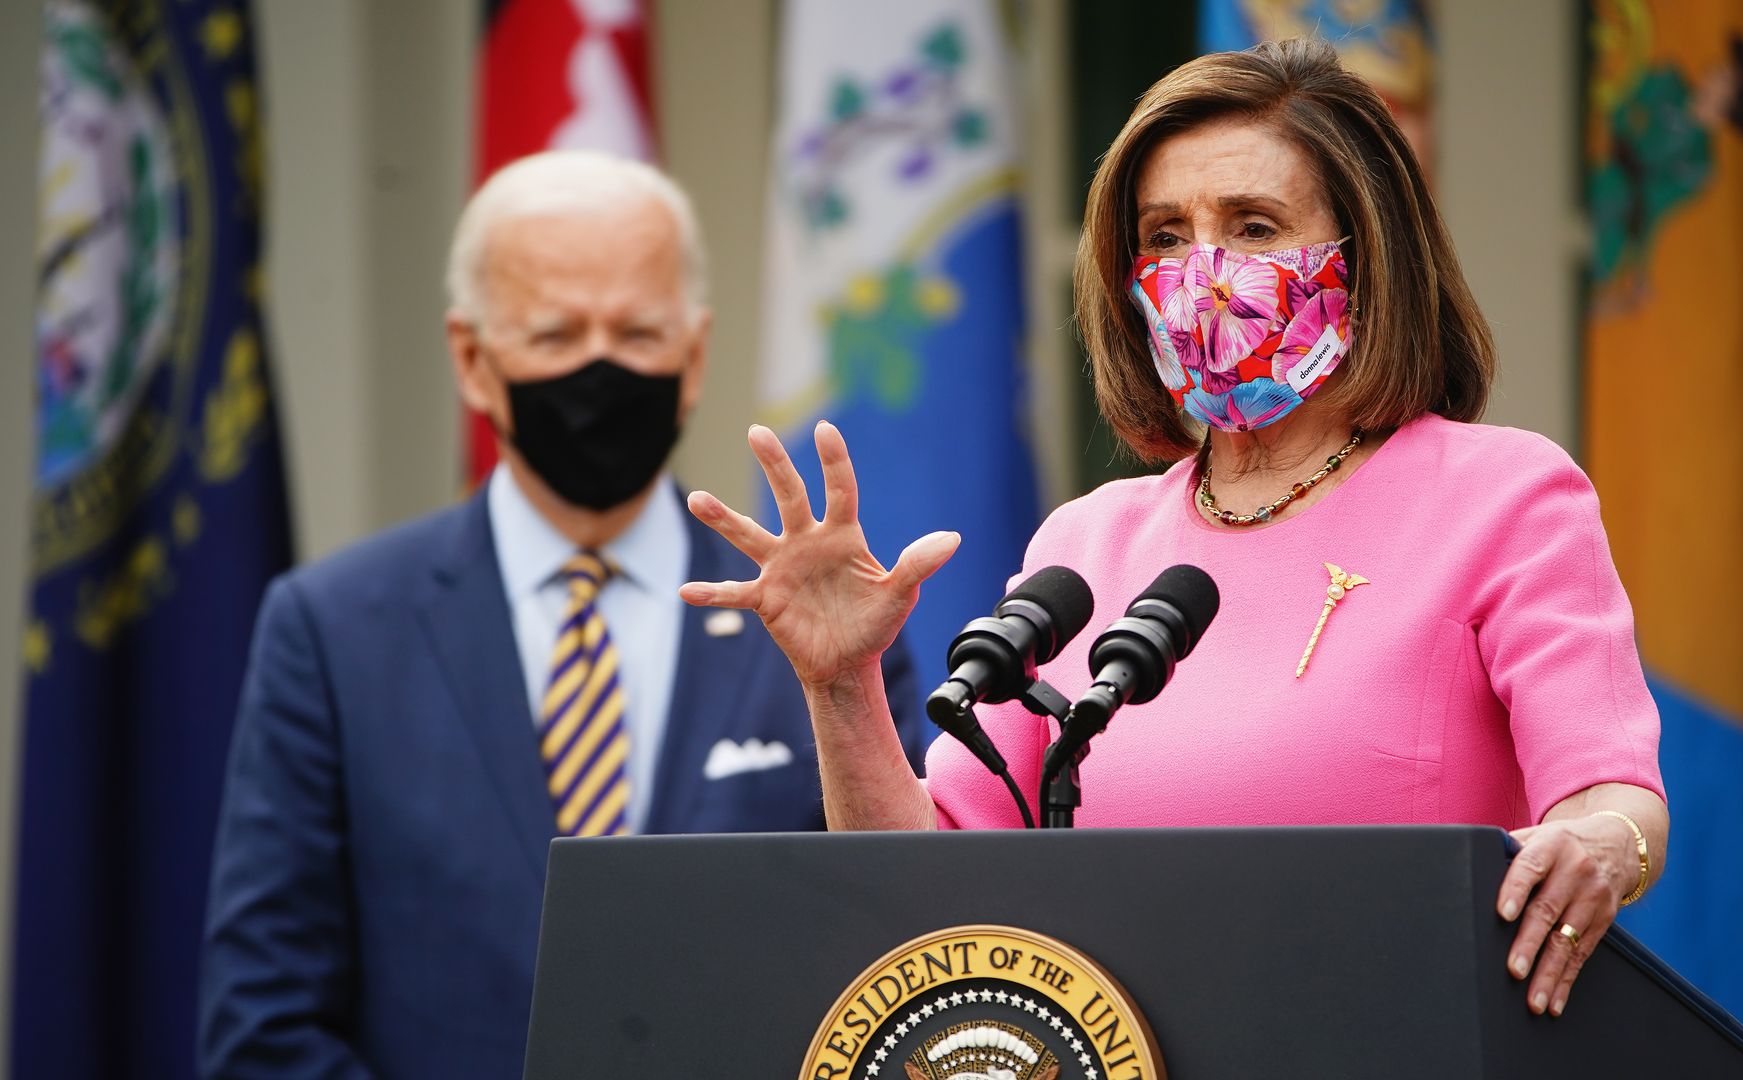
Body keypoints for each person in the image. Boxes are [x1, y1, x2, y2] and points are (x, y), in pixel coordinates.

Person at [678, 40, 1668, 1024]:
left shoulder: (1502, 496)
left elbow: (1610, 796)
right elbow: (933, 900)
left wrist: (1602, 845)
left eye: (1252, 226)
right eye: (1164, 236)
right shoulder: (1087, 544)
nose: (1204, 271)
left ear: (1366, 264)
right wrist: (843, 683)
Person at [198, 150, 923, 1079]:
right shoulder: (332, 630)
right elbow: (263, 1026)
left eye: (635, 332)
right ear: (472, 358)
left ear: (694, 355)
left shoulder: (828, 626)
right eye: (553, 335)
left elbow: (898, 960)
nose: (599, 367)